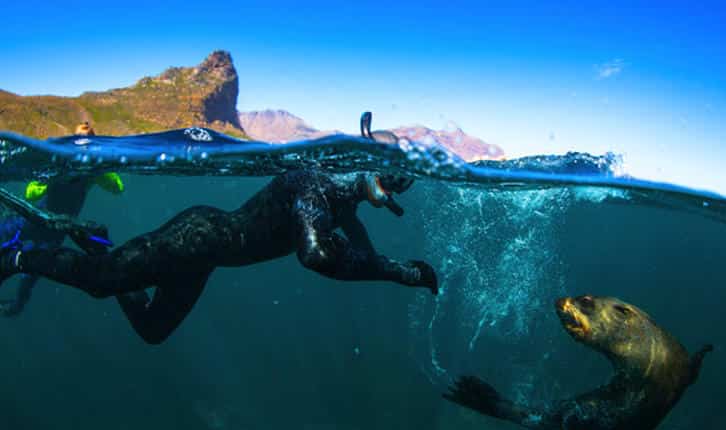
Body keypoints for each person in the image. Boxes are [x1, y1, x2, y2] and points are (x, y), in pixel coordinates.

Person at [0, 114, 436, 344]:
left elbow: (355, 239)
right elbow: (317, 254)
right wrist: (399, 273)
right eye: (395, 177)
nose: (398, 187)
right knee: (99, 284)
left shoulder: (343, 197)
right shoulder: (316, 183)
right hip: (197, 237)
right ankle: (16, 258)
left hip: (205, 256)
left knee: (153, 330)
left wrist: (398, 269)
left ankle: (99, 244)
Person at [0, 122, 124, 316]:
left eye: (87, 142)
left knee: (31, 274)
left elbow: (118, 188)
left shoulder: (92, 169)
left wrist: (98, 167)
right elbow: (30, 193)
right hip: (28, 221)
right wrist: (50, 179)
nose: (81, 148)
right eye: (77, 141)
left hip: (55, 229)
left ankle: (17, 306)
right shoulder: (57, 161)